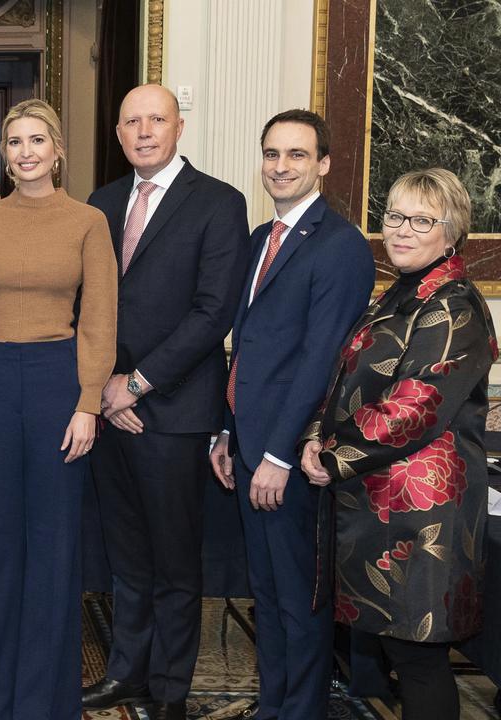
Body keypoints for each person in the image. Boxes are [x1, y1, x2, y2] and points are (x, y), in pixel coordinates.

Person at [82, 84, 251, 720]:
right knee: (125, 559)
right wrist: (104, 386)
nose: (144, 130)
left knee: (176, 563)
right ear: (119, 133)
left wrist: (138, 382)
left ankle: (171, 691)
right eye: (132, 121)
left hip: (175, 412)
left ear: (179, 127)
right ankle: (127, 673)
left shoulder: (218, 202)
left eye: (157, 119)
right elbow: (87, 308)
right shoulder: (98, 204)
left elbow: (213, 313)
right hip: (110, 409)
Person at [0, 98, 116, 720]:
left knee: (53, 545)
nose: (24, 151)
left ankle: (47, 705)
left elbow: (98, 319)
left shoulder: (88, 222)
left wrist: (88, 402)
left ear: (57, 148)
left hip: (57, 384)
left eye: (36, 139)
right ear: (4, 153)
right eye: (13, 141)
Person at [301, 168, 494, 720]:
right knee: (397, 648)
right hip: (379, 502)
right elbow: (346, 381)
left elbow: (416, 404)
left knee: (418, 656)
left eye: (421, 220)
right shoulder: (403, 293)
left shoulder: (454, 305)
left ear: (452, 231)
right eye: (393, 217)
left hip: (422, 513)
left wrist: (334, 458)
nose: (402, 231)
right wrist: (314, 437)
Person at [209, 109, 375, 720]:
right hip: (248, 445)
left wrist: (278, 455)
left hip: (289, 456)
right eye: (272, 154)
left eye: (297, 155)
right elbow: (246, 344)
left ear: (324, 165)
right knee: (269, 595)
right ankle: (272, 706)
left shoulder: (341, 246)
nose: (281, 167)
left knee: (301, 603)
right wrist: (228, 433)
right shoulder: (261, 239)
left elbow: (318, 362)